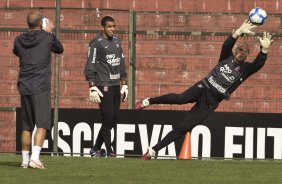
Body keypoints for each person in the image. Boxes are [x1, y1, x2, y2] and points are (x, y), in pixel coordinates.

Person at [135, 20, 274, 160]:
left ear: (247, 56)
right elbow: (226, 44)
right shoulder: (226, 57)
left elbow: (258, 64)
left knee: (183, 127)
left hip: (210, 102)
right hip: (203, 86)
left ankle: (152, 151)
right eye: (240, 49)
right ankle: (148, 101)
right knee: (180, 98)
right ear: (235, 50)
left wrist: (264, 50)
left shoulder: (245, 69)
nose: (242, 53)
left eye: (245, 52)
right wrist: (238, 32)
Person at [13, 11, 64, 168]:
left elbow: (17, 52)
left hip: (24, 85)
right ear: (42, 23)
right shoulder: (47, 37)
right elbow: (60, 49)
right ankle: (35, 158)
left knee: (27, 125)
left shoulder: (19, 40)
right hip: (40, 86)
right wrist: (50, 33)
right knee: (42, 123)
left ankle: (24, 160)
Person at [85, 16, 128, 158]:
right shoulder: (96, 43)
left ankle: (96, 148)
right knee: (107, 118)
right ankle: (110, 151)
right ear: (103, 27)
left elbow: (121, 63)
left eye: (113, 26)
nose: (112, 29)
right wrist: (92, 85)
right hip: (103, 85)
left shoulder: (117, 41)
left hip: (116, 85)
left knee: (113, 118)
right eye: (109, 27)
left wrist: (124, 84)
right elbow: (90, 65)